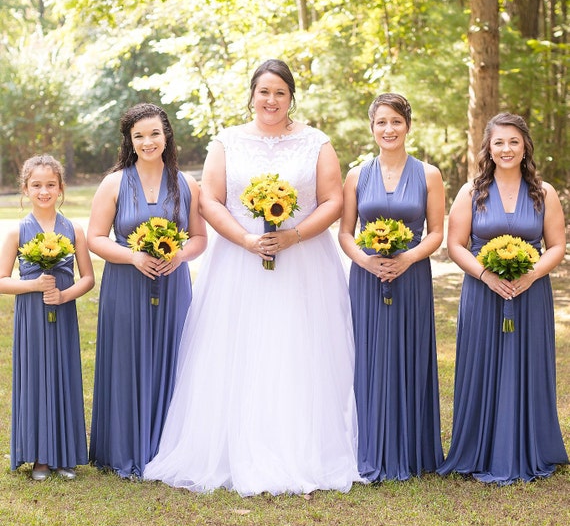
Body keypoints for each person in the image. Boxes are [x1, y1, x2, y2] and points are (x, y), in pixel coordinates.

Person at [144, 59, 360, 496]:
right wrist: (246, 239)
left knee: (298, 347)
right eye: (264, 91)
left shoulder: (317, 142)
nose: (272, 100)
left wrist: (294, 235)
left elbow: (332, 200)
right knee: (238, 346)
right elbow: (212, 202)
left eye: (280, 92)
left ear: (291, 97)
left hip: (303, 262)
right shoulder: (227, 142)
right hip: (238, 263)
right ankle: (229, 446)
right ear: (252, 95)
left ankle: (301, 447)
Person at [437, 112, 568, 484]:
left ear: (525, 145)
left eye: (514, 141)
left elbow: (556, 245)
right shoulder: (471, 192)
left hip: (531, 292)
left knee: (526, 364)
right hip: (483, 292)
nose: (507, 148)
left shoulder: (544, 193)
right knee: (482, 364)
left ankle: (532, 446)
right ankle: (477, 446)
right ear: (488, 148)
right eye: (499, 142)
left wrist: (531, 275)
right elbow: (455, 245)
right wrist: (486, 274)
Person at [88, 103, 207, 478]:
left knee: (174, 359)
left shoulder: (186, 183)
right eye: (139, 136)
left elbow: (200, 238)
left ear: (166, 135)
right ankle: (123, 448)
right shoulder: (114, 183)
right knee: (126, 360)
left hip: (173, 286)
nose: (147, 141)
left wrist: (179, 256)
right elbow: (93, 237)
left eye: (154, 133)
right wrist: (133, 256)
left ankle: (168, 449)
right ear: (130, 141)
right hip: (125, 286)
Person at [338, 93, 445, 481]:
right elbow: (346, 233)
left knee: (409, 353)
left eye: (396, 122)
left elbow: (436, 233)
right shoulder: (356, 175)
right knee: (367, 355)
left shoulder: (429, 174)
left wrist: (408, 258)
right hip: (367, 277)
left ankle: (411, 449)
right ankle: (369, 444)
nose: (389, 129)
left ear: (408, 126)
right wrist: (366, 261)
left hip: (411, 275)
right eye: (381, 122)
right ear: (372, 127)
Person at [0, 155, 94, 481]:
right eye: (36, 185)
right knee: (36, 377)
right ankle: (39, 456)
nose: (44, 191)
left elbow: (88, 278)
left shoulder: (74, 230)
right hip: (32, 317)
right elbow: (1, 280)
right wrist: (34, 285)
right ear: (25, 189)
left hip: (63, 312)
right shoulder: (17, 232)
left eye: (50, 185)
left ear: (61, 188)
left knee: (64, 375)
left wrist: (65, 295)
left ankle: (65, 454)